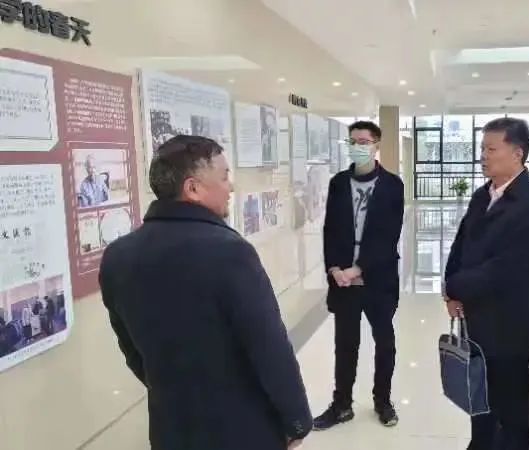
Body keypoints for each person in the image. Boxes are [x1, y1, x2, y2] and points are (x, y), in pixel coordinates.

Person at [98, 135, 311, 450]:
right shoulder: (230, 252)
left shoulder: (118, 256)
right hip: (243, 430)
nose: (231, 187)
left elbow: (131, 349)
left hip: (171, 429)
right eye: (224, 177)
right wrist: (297, 420)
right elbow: (268, 347)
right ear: (193, 188)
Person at [445, 117, 529, 450]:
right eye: (482, 148)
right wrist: (450, 288)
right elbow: (460, 244)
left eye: (491, 149)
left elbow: (507, 270)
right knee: (480, 392)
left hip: (509, 323)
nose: (483, 156)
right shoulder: (484, 194)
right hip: (477, 315)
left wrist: (458, 286)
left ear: (517, 153)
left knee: (509, 400)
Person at [313, 121, 404, 430]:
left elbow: (388, 236)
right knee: (345, 345)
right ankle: (341, 405)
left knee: (385, 343)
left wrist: (358, 268)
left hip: (378, 280)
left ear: (376, 145)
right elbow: (330, 230)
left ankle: (383, 401)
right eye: (352, 141)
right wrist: (334, 269)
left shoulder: (392, 185)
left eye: (364, 141)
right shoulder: (339, 183)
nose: (357, 146)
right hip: (344, 282)